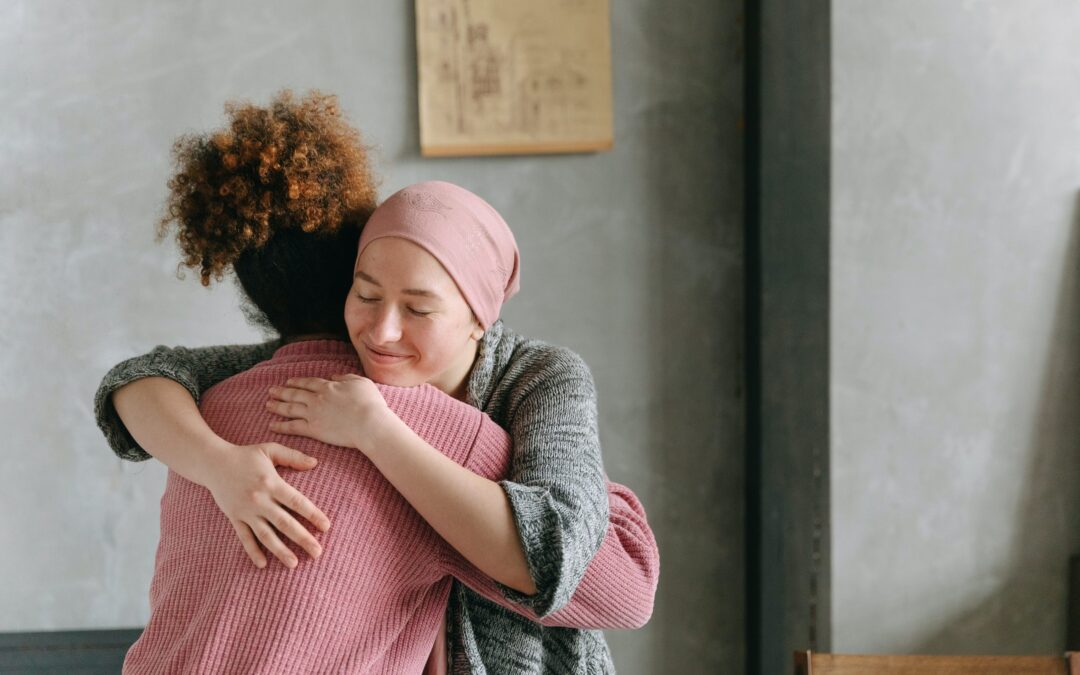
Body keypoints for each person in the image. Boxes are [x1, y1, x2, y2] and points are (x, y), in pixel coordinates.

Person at [96, 90, 658, 674]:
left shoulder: (537, 379)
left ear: (480, 318)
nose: (383, 331)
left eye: (418, 308)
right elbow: (141, 377)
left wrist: (377, 431)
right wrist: (221, 466)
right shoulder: (323, 377)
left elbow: (591, 566)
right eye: (365, 295)